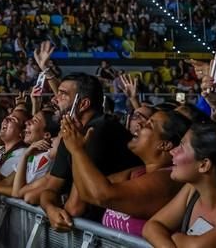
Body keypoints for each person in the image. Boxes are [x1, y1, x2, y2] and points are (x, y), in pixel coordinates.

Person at [34, 73, 142, 229]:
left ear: (83, 104)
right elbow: (51, 187)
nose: (54, 99)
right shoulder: (71, 132)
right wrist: (50, 208)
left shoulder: (99, 131)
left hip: (113, 234)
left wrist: (57, 208)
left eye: (63, 95)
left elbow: (75, 208)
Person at [61, 110, 190, 237]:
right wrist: (79, 147)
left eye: (149, 125)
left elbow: (101, 195)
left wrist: (77, 151)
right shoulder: (138, 172)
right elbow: (87, 190)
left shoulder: (167, 179)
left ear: (165, 144)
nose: (139, 125)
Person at [143, 122, 216, 247]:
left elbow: (196, 247)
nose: (172, 151)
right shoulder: (191, 190)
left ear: (204, 165)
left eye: (182, 146)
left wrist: (173, 238)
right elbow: (151, 227)